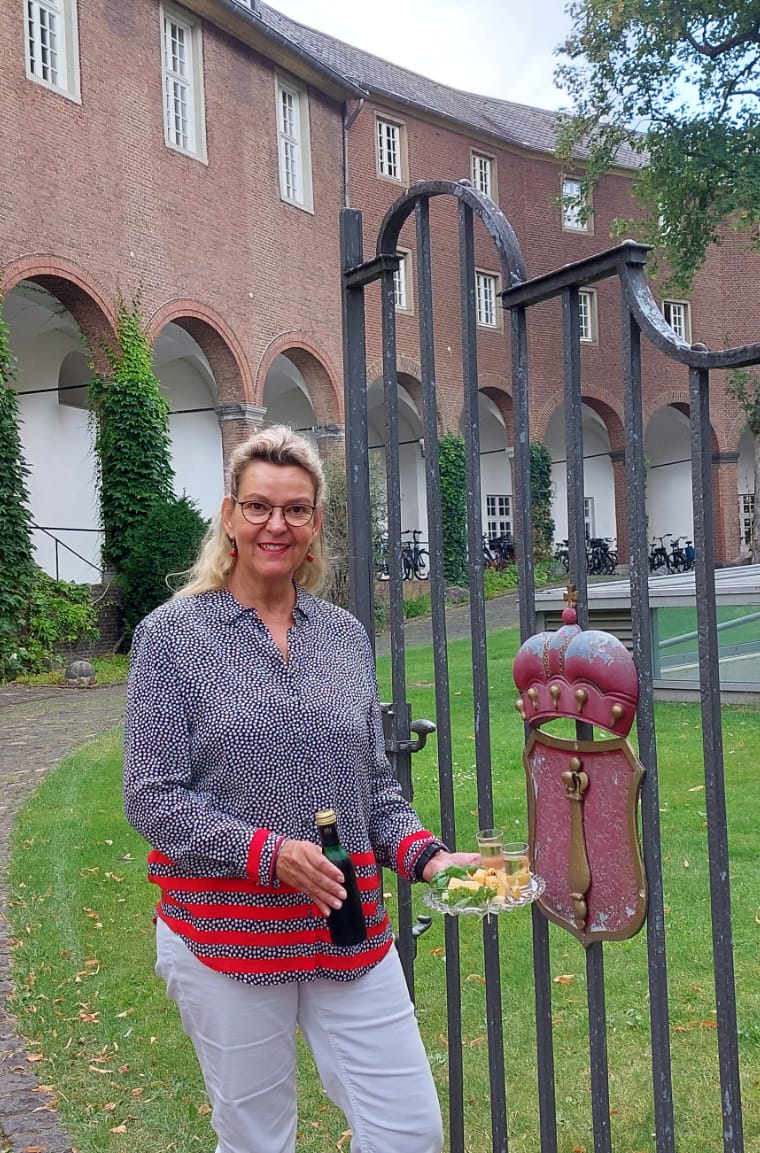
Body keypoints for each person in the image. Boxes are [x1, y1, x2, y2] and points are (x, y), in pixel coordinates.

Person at [123, 425, 473, 1153]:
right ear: (228, 516)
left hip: (351, 931)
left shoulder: (344, 636)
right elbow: (151, 796)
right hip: (228, 936)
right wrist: (267, 852)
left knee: (410, 1129)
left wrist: (432, 858)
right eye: (258, 506)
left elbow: (373, 791)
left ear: (315, 524)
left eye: (294, 508)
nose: (275, 524)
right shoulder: (172, 636)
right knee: (258, 1140)